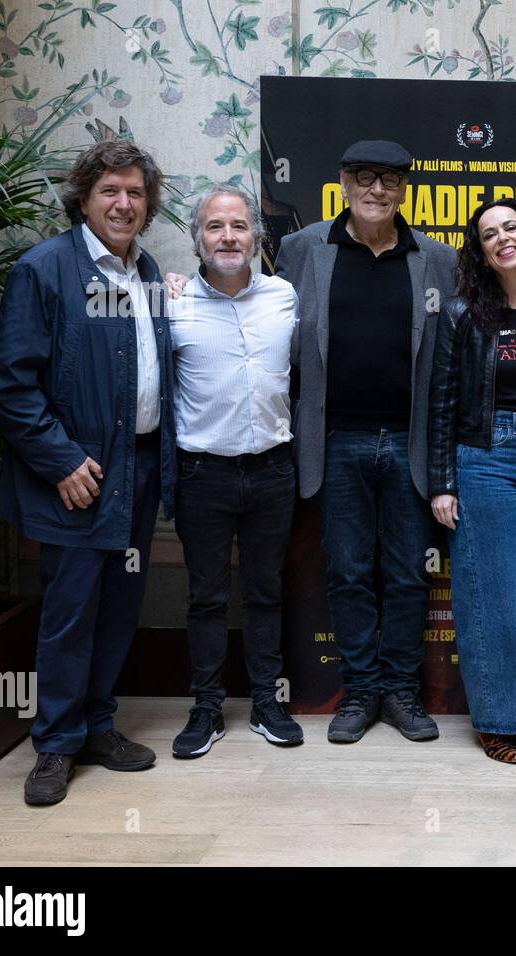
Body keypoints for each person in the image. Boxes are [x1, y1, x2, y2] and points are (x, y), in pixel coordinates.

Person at [0, 140, 177, 805]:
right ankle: (56, 745)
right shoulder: (45, 269)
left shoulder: (146, 270)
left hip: (138, 470)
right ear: (84, 200)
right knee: (70, 613)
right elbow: (9, 382)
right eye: (110, 191)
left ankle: (98, 725)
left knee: (119, 606)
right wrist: (61, 459)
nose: (124, 203)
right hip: (77, 476)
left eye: (135, 193)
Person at [275, 140, 457, 743]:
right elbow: (267, 322)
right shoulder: (304, 250)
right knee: (349, 571)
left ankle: (401, 690)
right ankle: (360, 691)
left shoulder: (437, 259)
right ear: (344, 183)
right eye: (365, 178)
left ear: (405, 188)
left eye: (392, 180)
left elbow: (470, 336)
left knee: (407, 573)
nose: (378, 189)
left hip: (410, 442)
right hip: (336, 442)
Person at [428, 198, 516, 764]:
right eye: (490, 234)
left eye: (512, 227)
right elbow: (441, 399)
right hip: (486, 457)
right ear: (481, 253)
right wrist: (443, 482)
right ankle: (495, 720)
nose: (503, 238)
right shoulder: (463, 311)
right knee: (495, 590)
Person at [166, 184, 302, 757]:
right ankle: (206, 707)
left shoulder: (285, 297)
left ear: (257, 235)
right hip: (202, 474)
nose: (228, 237)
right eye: (215, 227)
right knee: (206, 598)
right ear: (197, 239)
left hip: (273, 471)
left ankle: (267, 702)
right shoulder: (170, 301)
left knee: (267, 592)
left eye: (239, 226)